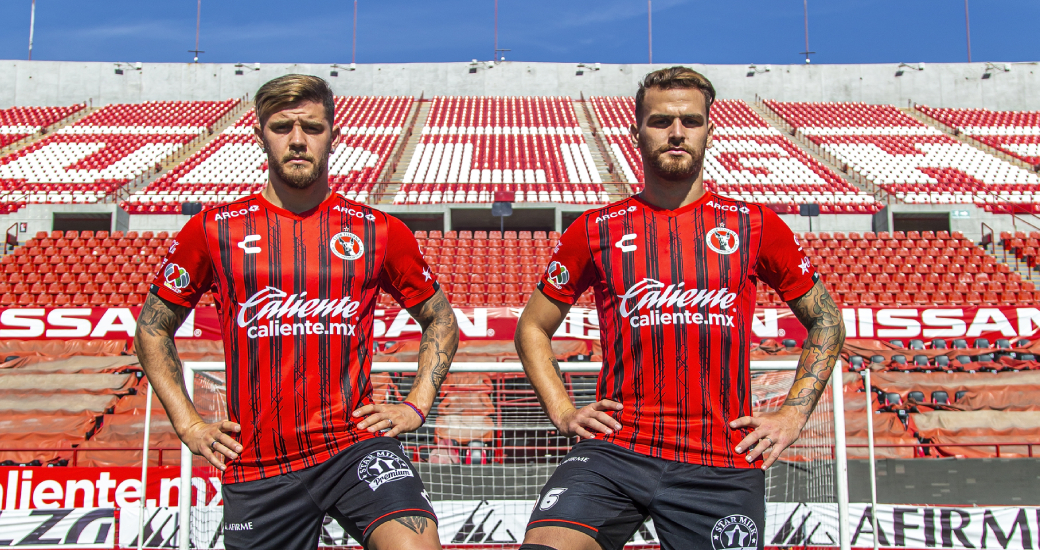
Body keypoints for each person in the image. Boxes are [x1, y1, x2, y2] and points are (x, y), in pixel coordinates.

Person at [514, 66, 846, 550]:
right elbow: (532, 328)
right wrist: (564, 411)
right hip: (615, 452)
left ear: (709, 129)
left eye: (690, 121)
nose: (676, 133)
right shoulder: (594, 228)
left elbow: (827, 320)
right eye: (660, 121)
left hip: (721, 462)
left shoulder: (754, 225)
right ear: (636, 131)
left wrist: (793, 415)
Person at [135, 74, 459, 550]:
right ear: (260, 133)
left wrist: (416, 405)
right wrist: (188, 423)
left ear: (334, 132)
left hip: (354, 446)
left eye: (312, 127)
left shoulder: (379, 230)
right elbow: (152, 328)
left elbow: (441, 319)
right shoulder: (212, 229)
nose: (298, 140)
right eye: (282, 127)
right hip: (260, 462)